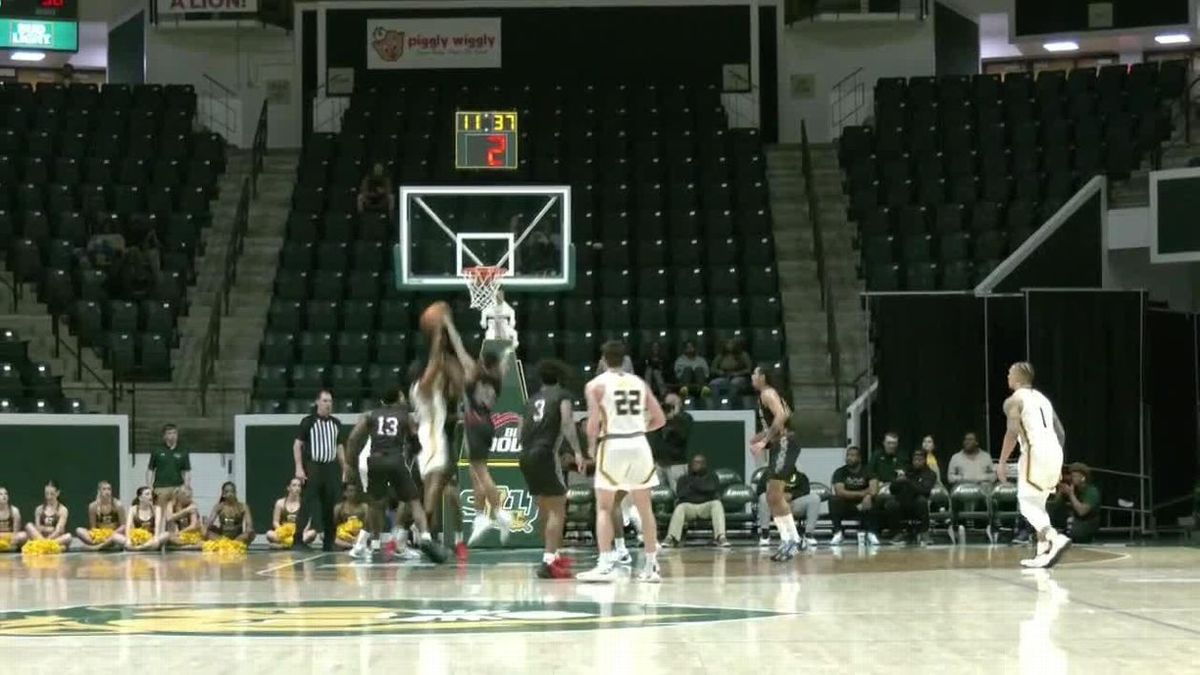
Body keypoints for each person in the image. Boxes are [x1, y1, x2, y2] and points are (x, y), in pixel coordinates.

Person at [577, 341, 667, 583]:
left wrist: (591, 448)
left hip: (613, 443)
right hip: (639, 444)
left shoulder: (595, 385)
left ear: (603, 359)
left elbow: (593, 424)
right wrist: (638, 428)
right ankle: (651, 565)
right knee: (644, 507)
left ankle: (605, 563)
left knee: (604, 507)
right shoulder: (639, 383)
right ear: (624, 358)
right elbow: (660, 419)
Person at [345, 386, 447, 563]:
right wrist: (414, 449)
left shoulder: (370, 415)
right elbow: (416, 443)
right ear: (398, 398)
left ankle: (366, 545)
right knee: (414, 501)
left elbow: (353, 438)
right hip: (395, 460)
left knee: (375, 505)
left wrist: (349, 464)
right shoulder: (405, 416)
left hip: (375, 461)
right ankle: (426, 538)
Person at [443, 323, 514, 547]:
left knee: (482, 473)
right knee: (475, 473)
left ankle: (501, 512)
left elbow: (460, 348)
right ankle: (480, 516)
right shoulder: (499, 375)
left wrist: (448, 325)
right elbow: (504, 358)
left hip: (474, 422)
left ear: (483, 361)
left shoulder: (474, 371)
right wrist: (506, 346)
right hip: (488, 422)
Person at [997, 361, 1071, 568]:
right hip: (1055, 451)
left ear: (1019, 378)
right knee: (1038, 504)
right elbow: (1061, 432)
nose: (1008, 376)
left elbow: (1012, 432)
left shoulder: (1013, 401)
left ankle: (1055, 538)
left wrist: (1002, 462)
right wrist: (1055, 456)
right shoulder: (1043, 399)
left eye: (1010, 373)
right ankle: (1042, 552)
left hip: (1034, 451)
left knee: (1026, 503)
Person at [411, 312, 467, 560]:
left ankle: (412, 534)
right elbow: (434, 363)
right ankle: (421, 535)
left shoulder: (433, 393)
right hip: (430, 440)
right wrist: (438, 334)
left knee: (428, 491)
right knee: (432, 490)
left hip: (433, 438)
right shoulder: (422, 389)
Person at [519, 359, 583, 579]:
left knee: (544, 508)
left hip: (525, 455)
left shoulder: (531, 400)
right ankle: (548, 561)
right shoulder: (562, 396)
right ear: (560, 377)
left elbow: (520, 428)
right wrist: (577, 451)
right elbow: (567, 423)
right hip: (545, 453)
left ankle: (552, 555)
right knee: (558, 507)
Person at [750, 365, 804, 561]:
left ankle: (792, 540)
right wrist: (757, 438)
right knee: (772, 497)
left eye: (755, 374)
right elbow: (784, 415)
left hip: (784, 443)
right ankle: (790, 539)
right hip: (780, 444)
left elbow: (781, 416)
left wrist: (764, 441)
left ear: (763, 377)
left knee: (774, 494)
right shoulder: (770, 394)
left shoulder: (768, 393)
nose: (752, 377)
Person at [292, 390, 347, 551]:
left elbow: (339, 447)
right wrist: (299, 467)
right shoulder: (308, 421)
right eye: (324, 401)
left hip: (330, 467)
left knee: (330, 505)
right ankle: (297, 540)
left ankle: (329, 541)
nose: (328, 404)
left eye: (330, 401)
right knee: (307, 503)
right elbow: (297, 445)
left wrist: (344, 468)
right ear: (317, 402)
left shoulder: (336, 423)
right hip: (313, 466)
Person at [663, 454, 729, 547]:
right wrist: (703, 490)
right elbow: (681, 495)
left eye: (698, 462)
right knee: (680, 507)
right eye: (694, 462)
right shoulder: (683, 478)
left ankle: (721, 537)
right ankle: (671, 538)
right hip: (689, 507)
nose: (695, 464)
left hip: (706, 507)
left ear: (704, 465)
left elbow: (711, 489)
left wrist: (693, 487)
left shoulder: (712, 476)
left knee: (717, 504)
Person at [829, 446, 881, 546]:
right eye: (848, 455)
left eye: (852, 455)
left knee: (875, 499)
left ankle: (871, 533)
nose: (849, 458)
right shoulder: (840, 472)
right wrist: (864, 494)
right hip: (847, 505)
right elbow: (840, 492)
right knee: (833, 499)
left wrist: (868, 496)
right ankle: (838, 533)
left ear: (859, 458)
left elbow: (874, 490)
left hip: (865, 505)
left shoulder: (868, 471)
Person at [886, 448, 939, 545]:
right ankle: (898, 533)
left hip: (919, 501)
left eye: (920, 459)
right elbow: (892, 490)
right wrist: (897, 482)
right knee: (891, 504)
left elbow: (925, 490)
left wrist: (907, 481)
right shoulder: (906, 471)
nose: (917, 461)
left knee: (921, 501)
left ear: (925, 460)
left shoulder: (930, 474)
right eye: (915, 459)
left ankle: (924, 533)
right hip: (903, 500)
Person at [757, 468, 820, 549]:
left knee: (814, 498)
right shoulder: (768, 475)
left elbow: (805, 491)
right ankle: (765, 534)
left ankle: (808, 534)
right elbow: (759, 491)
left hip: (793, 503)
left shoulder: (800, 476)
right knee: (763, 497)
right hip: (774, 506)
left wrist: (791, 495)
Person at [1048, 462, 1101, 544]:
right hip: (1074, 521)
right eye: (1071, 476)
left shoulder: (1091, 491)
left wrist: (1071, 494)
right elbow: (1053, 507)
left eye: (1075, 476)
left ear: (1083, 478)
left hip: (1088, 522)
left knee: (1077, 532)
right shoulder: (1073, 488)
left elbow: (1082, 512)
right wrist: (1060, 493)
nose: (1072, 478)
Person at [652, 392, 692, 488]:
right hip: (659, 463)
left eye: (673, 403)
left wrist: (674, 416)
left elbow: (682, 435)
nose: (670, 406)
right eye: (668, 403)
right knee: (657, 493)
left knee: (678, 491)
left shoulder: (685, 417)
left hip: (676, 464)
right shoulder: (659, 419)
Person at [75, 480, 126, 551]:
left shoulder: (118, 505)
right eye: (104, 489)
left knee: (118, 538)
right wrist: (99, 536)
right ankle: (103, 545)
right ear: (99, 491)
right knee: (79, 530)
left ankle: (97, 547)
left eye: (109, 489)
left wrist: (111, 534)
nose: (107, 491)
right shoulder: (93, 506)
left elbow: (123, 525)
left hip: (114, 534)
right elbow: (93, 527)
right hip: (100, 535)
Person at [267, 479, 318, 549]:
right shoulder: (280, 503)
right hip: (284, 533)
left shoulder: (304, 503)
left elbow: (308, 522)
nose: (297, 488)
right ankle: (291, 545)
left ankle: (283, 546)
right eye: (294, 485)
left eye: (299, 486)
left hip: (298, 533)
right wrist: (282, 531)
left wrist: (301, 531)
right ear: (288, 488)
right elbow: (275, 521)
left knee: (312, 533)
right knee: (269, 534)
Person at [148, 423, 191, 506]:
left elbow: (187, 471)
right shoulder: (157, 450)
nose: (173, 435)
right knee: (161, 513)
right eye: (169, 433)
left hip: (178, 487)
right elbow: (150, 470)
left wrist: (186, 486)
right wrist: (149, 486)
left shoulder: (183, 451)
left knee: (178, 512)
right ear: (164, 436)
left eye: (175, 433)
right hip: (160, 487)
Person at [25, 480, 72, 550]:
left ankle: (44, 546)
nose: (49, 497)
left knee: (68, 537)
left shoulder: (62, 510)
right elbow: (37, 528)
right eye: (47, 494)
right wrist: (49, 529)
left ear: (58, 493)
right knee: (28, 526)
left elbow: (58, 531)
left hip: (56, 539)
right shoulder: (39, 509)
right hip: (40, 537)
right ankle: (49, 547)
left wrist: (47, 538)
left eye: (52, 494)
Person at [124, 486, 166, 551]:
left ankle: (138, 549)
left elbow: (157, 525)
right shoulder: (133, 509)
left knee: (166, 535)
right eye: (147, 494)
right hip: (137, 538)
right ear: (140, 498)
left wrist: (156, 538)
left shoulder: (157, 509)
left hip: (151, 539)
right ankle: (145, 547)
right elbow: (128, 526)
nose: (150, 496)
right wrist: (128, 539)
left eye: (151, 494)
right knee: (116, 537)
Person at [332, 482, 370, 551]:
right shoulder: (339, 508)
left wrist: (358, 537)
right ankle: (352, 546)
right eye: (350, 491)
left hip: (359, 536)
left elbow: (366, 527)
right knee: (333, 539)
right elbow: (335, 526)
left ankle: (356, 545)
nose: (353, 493)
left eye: (355, 491)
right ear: (345, 493)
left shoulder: (364, 507)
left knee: (365, 535)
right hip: (343, 537)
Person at [0, 486, 28, 551]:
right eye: (0, 494)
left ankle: (7, 547)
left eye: (6, 494)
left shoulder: (14, 510)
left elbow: (16, 531)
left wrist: (13, 538)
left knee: (24, 535)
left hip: (10, 537)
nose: (4, 496)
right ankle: (6, 547)